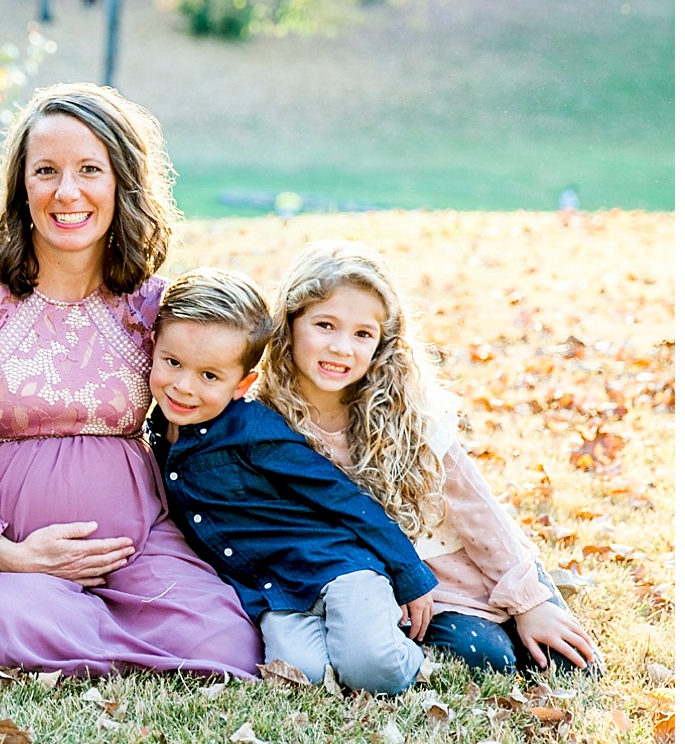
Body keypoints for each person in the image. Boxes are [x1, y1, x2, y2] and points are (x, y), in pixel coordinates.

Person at [0, 82, 262, 678]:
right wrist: (4, 553)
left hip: (134, 549)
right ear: (21, 187)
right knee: (0, 622)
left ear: (121, 183)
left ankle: (97, 627)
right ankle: (95, 632)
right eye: (46, 171)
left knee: (226, 643)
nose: (67, 192)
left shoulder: (150, 307)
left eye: (89, 169)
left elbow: (221, 395)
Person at [255, 239, 600, 674]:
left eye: (363, 334)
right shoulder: (264, 425)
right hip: (405, 591)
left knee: (572, 664)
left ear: (383, 343)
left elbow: (477, 510)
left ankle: (530, 601)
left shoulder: (408, 411)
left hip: (470, 562)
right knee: (488, 658)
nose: (343, 348)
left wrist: (529, 602)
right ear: (289, 323)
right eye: (325, 325)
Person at [147, 268, 437, 695]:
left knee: (373, 671)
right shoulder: (155, 432)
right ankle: (354, 640)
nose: (183, 386)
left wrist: (409, 572)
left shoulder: (253, 430)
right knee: (302, 677)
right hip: (274, 594)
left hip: (337, 568)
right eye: (172, 363)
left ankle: (409, 655)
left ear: (242, 384)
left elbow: (340, 496)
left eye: (209, 376)